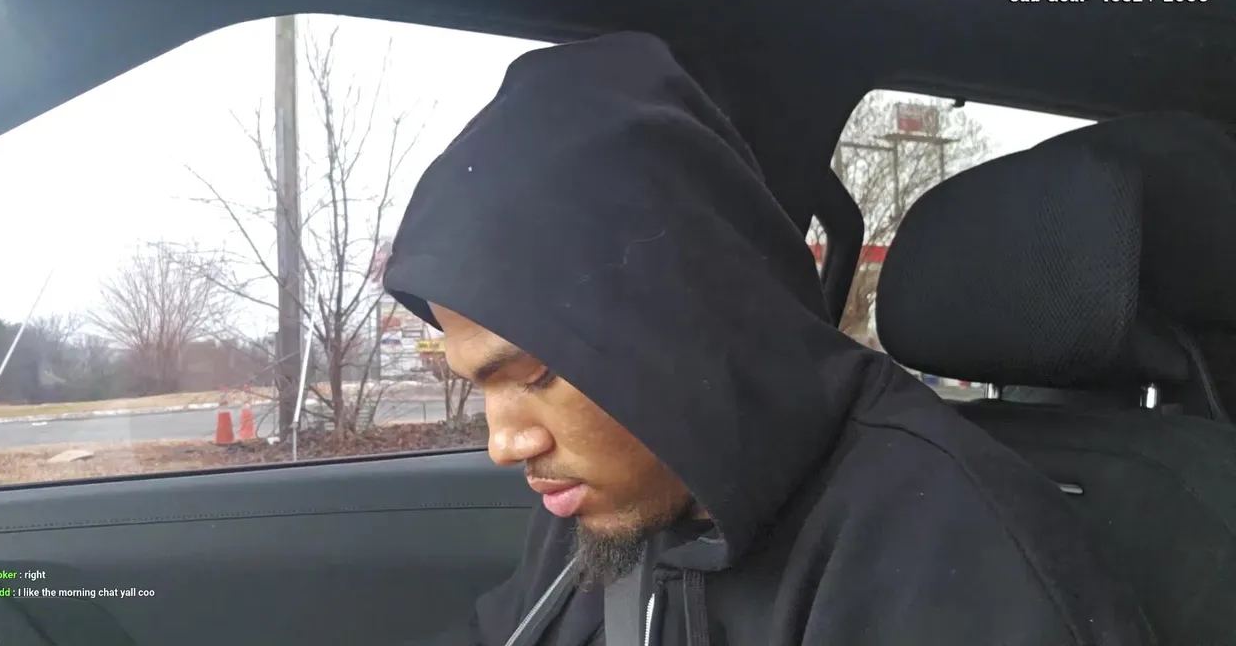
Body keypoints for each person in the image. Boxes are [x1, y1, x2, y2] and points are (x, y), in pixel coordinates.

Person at [382, 32, 1153, 645]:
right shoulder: (616, 495)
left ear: (675, 317)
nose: (505, 443)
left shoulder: (951, 558)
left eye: (536, 372)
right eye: (479, 385)